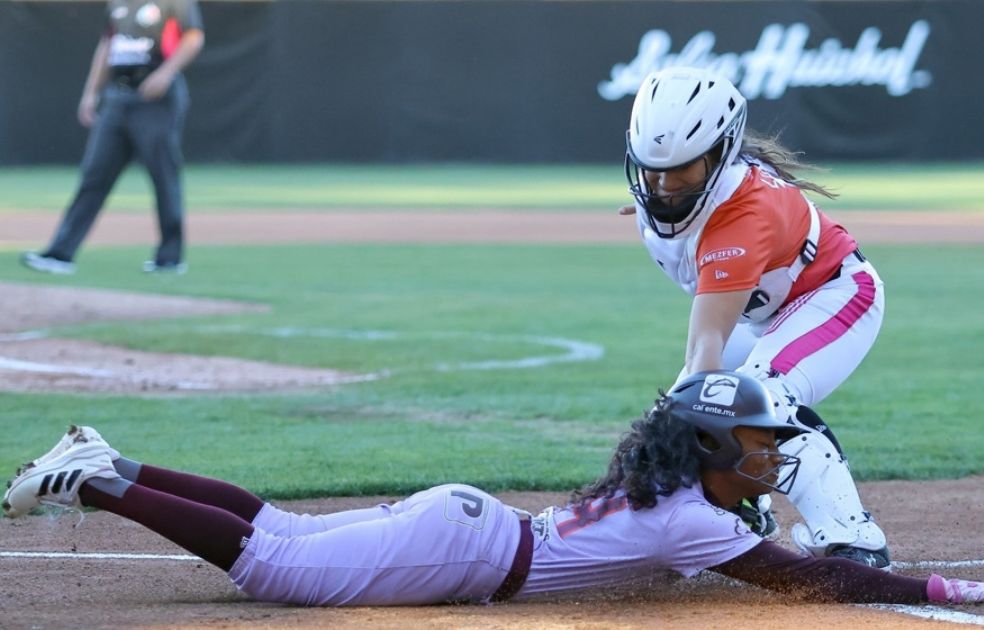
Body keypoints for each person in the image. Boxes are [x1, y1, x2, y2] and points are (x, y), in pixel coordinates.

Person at [4, 371, 981, 607]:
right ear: (715, 446)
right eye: (758, 439)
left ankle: (114, 460)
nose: (770, 453)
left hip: (469, 528)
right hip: (467, 547)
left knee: (280, 526)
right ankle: (96, 482)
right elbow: (820, 580)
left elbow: (757, 540)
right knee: (270, 566)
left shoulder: (669, 485)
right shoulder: (691, 519)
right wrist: (939, 588)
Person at [620, 67, 889, 566]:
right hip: (768, 312)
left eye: (681, 169)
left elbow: (705, 347)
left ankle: (853, 536)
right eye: (653, 169)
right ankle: (738, 508)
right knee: (676, 415)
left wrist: (693, 428)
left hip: (833, 294)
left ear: (720, 155)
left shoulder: (743, 216)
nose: (663, 186)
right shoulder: (680, 193)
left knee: (758, 400)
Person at [20, 0, 205, 276]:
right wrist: (90, 93)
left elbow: (193, 37)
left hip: (155, 99)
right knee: (94, 176)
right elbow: (107, 45)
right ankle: (60, 254)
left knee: (163, 176)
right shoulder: (118, 3)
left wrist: (166, 74)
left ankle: (169, 258)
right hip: (118, 97)